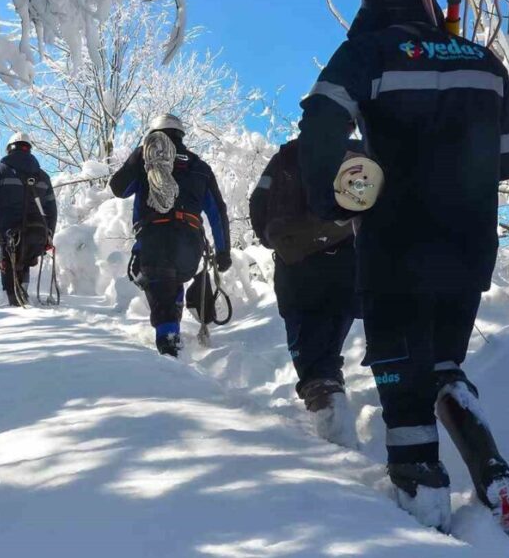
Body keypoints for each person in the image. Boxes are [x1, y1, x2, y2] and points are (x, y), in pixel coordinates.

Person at [295, 0, 509, 534]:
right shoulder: (484, 61)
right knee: (446, 363)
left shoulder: (368, 52)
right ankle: (493, 469)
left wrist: (331, 197)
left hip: (395, 246)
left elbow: (320, 123)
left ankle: (424, 505)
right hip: (468, 247)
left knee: (401, 375)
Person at [250, 139, 360, 442]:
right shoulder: (361, 153)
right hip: (349, 264)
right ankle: (335, 411)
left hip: (296, 265)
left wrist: (276, 239)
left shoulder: (287, 156)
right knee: (328, 349)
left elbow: (258, 203)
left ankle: (336, 435)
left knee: (312, 361)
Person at [109, 114, 232, 357]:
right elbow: (218, 211)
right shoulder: (200, 167)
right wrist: (223, 251)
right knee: (171, 283)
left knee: (158, 285)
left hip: (155, 238)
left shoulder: (146, 162)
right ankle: (171, 331)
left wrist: (137, 156)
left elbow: (118, 188)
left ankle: (168, 346)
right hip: (190, 242)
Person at [0, 133, 58, 307]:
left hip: (9, 234)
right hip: (38, 234)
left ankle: (13, 303)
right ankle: (22, 293)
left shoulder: (0, 170)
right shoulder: (43, 176)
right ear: (28, 148)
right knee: (25, 262)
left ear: (10, 148)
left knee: (9, 263)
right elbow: (51, 210)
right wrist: (49, 235)